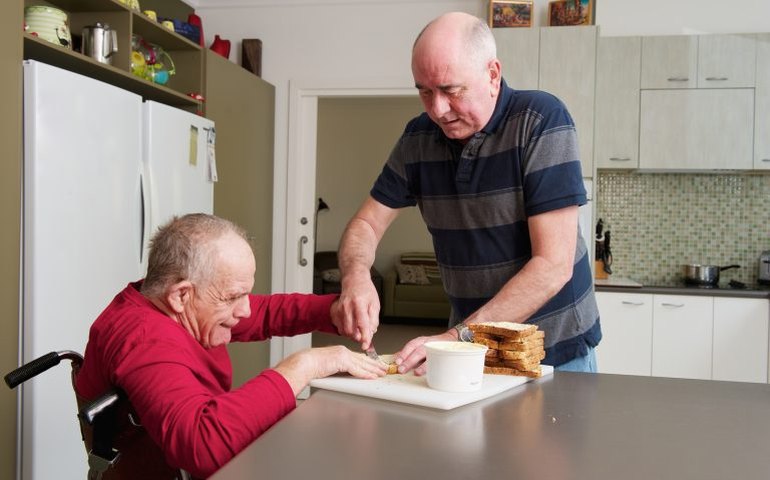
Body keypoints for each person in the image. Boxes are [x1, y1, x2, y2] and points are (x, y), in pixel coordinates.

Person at [336, 11, 601, 375]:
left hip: (552, 351)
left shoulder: (540, 121)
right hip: (470, 350)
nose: (437, 110)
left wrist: (457, 337)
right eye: (425, 92)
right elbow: (367, 222)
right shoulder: (417, 139)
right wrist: (356, 277)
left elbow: (553, 266)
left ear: (492, 75)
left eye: (450, 90)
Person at [75, 213, 387, 478]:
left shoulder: (177, 306)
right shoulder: (145, 339)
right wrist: (305, 365)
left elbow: (265, 313)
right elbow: (201, 445)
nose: (246, 310)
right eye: (233, 297)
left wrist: (335, 310)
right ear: (181, 295)